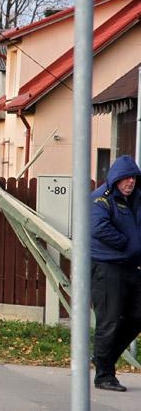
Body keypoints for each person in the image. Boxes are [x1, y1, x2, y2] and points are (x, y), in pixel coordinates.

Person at [90, 154, 141, 392]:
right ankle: (104, 375)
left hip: (130, 266)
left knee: (137, 315)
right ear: (116, 178)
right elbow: (98, 227)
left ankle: (103, 357)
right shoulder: (102, 198)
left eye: (133, 177)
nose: (130, 182)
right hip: (107, 266)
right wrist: (127, 243)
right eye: (126, 178)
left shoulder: (137, 199)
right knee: (109, 320)